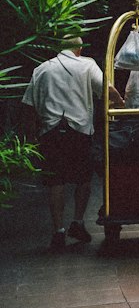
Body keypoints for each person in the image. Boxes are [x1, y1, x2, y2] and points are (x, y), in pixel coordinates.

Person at [21, 36, 124, 250]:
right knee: (83, 179)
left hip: (50, 133)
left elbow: (28, 106)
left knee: (56, 181)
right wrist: (121, 103)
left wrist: (31, 137)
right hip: (79, 132)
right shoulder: (86, 65)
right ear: (79, 49)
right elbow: (107, 90)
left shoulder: (41, 70)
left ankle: (58, 230)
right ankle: (77, 221)